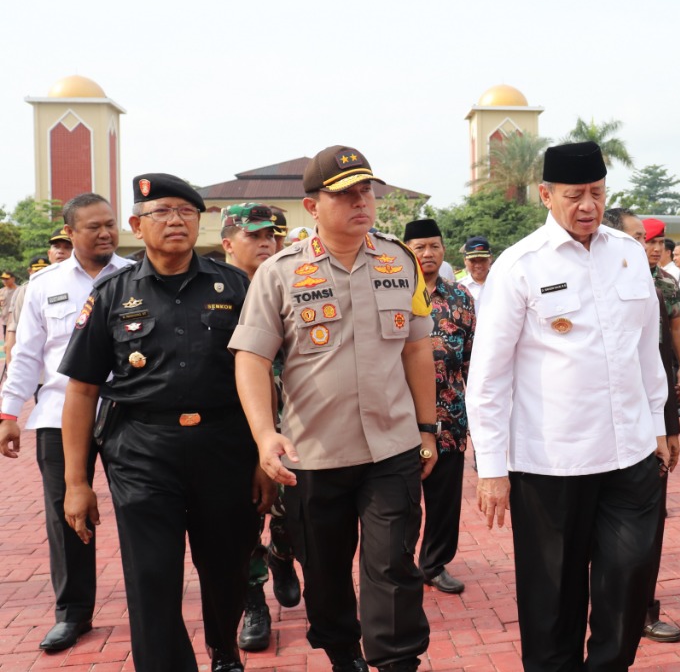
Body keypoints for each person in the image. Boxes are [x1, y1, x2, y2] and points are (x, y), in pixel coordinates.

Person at [230, 146, 436, 672]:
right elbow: (252, 359)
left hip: (392, 446)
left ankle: (395, 662)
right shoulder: (278, 273)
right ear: (312, 205)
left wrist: (427, 428)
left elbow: (416, 348)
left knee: (391, 563)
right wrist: (263, 435)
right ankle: (344, 654)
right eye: (344, 194)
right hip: (314, 453)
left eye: (365, 190)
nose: (360, 202)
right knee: (323, 570)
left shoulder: (399, 259)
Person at [467, 142, 669, 671]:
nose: (588, 205)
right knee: (552, 603)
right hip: (550, 464)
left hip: (630, 456)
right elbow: (488, 377)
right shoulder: (519, 266)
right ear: (546, 195)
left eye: (597, 194)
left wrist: (659, 423)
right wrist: (491, 469)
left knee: (629, 579)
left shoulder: (627, 252)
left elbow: (647, 350)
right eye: (574, 195)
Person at [59, 175, 265, 672]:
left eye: (186, 212)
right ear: (137, 225)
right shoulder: (112, 292)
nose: (176, 221)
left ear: (201, 222)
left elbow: (261, 375)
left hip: (225, 447)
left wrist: (264, 453)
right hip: (142, 451)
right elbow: (83, 388)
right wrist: (75, 482)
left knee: (226, 568)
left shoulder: (235, 286)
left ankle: (223, 649)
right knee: (151, 576)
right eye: (162, 212)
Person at [0, 195, 130, 653]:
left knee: (141, 509)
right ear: (70, 233)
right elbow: (27, 355)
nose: (104, 234)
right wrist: (9, 412)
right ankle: (72, 613)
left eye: (110, 225)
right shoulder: (43, 284)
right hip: (58, 415)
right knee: (67, 514)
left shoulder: (136, 276)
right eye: (93, 227)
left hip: (125, 413)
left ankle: (148, 602)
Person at [218, 203, 302, 652]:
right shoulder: (213, 292)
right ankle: (255, 602)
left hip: (293, 424)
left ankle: (283, 555)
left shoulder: (292, 282)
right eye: (254, 235)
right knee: (244, 518)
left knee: (294, 508)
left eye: (272, 234)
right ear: (229, 242)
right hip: (234, 430)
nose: (267, 242)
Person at [400, 218, 475, 598]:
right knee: (404, 499)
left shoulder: (461, 297)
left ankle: (435, 564)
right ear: (406, 251)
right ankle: (401, 564)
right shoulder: (394, 293)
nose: (427, 254)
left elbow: (473, 360)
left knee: (445, 499)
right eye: (419, 247)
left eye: (434, 246)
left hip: (451, 416)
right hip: (404, 419)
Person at [634, 215, 680, 643]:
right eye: (639, 239)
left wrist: (670, 428)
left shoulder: (664, 285)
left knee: (650, 522)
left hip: (652, 417)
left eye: (652, 241)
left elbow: (665, 357)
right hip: (591, 428)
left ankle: (644, 609)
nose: (649, 248)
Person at [456, 236, 491, 313]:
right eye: (473, 261)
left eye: (483, 260)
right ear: (465, 261)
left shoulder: (501, 283)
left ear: (490, 259)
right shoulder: (458, 287)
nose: (478, 265)